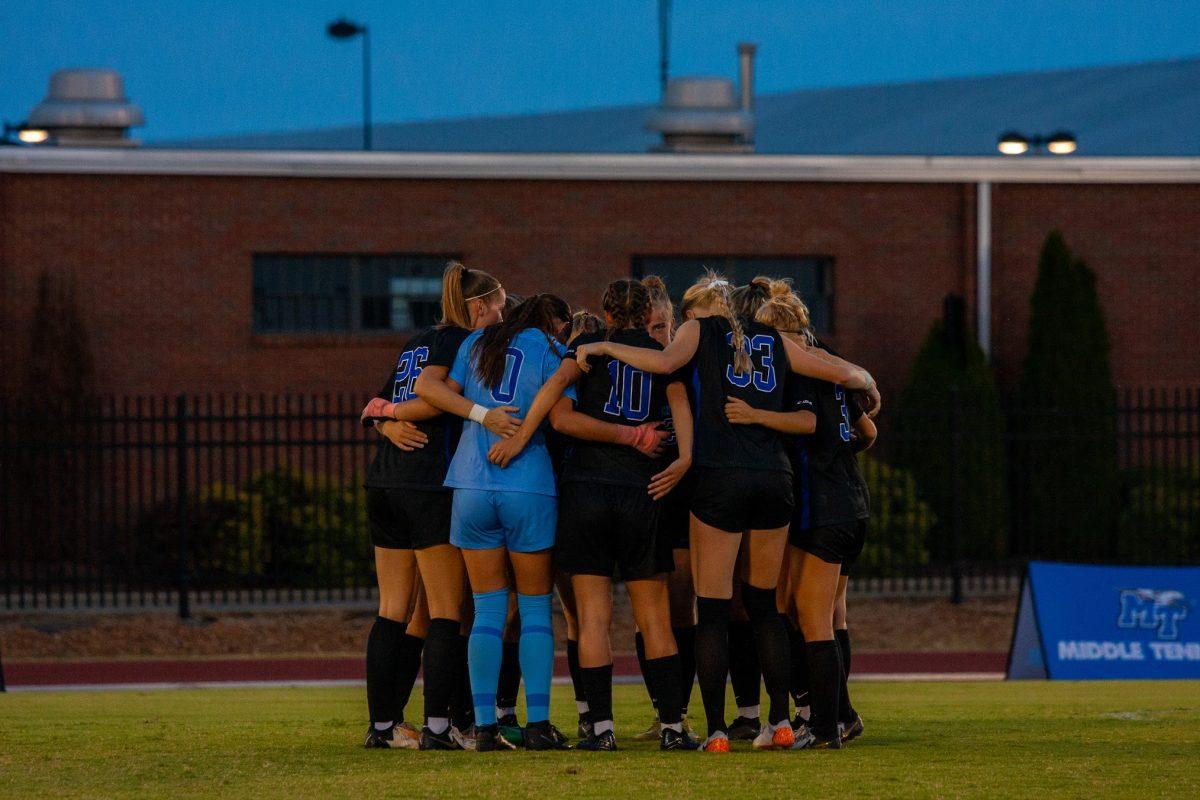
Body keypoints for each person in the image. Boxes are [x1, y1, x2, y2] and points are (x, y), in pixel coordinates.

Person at [573, 273, 879, 753]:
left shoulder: (702, 333)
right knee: (765, 607)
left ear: (710, 308)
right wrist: (869, 383)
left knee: (711, 609)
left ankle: (716, 730)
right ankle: (778, 721)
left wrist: (606, 349)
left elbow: (662, 360)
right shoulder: (773, 339)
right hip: (775, 480)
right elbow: (839, 373)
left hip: (720, 479)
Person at [527, 279, 697, 751]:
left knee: (593, 619)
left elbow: (561, 419)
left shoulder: (585, 346)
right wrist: (680, 458)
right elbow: (682, 411)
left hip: (586, 490)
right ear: (647, 314)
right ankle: (672, 728)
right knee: (655, 618)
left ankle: (600, 730)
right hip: (642, 492)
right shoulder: (661, 352)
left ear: (605, 312)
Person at [414, 293, 574, 751]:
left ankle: (484, 726)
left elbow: (441, 390)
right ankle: (538, 724)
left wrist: (481, 415)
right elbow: (560, 415)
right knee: (536, 608)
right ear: (551, 322)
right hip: (527, 482)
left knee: (485, 610)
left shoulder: (477, 342)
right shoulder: (550, 349)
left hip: (470, 481)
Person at [358, 261, 508, 750]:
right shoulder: (458, 340)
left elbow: (376, 404)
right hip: (426, 484)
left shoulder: (418, 339)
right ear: (479, 306)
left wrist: (384, 421)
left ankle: (383, 727)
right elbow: (427, 398)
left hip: (386, 482)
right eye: (499, 308)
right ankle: (439, 729)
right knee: (448, 610)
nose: (502, 318)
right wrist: (398, 416)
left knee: (394, 609)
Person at [754, 291, 877, 749]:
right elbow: (869, 431)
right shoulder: (829, 366)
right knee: (818, 612)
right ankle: (838, 715)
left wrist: (755, 415)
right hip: (849, 502)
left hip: (826, 508)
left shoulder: (803, 370)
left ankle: (828, 726)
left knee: (811, 617)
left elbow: (807, 425)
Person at [632, 276, 699, 742]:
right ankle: (663, 712)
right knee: (646, 614)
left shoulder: (684, 368)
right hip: (643, 497)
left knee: (680, 609)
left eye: (663, 327)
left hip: (681, 498)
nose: (659, 337)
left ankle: (681, 711)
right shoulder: (633, 367)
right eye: (652, 328)